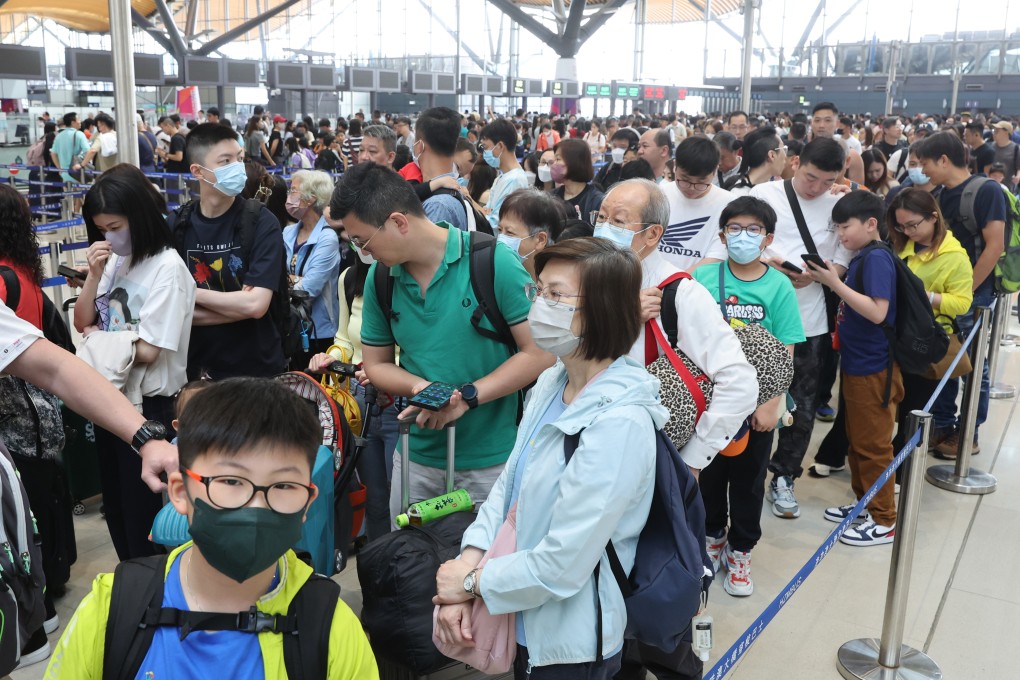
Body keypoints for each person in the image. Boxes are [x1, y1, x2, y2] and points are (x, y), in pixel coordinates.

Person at [434, 237, 666, 679]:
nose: (539, 305)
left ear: (602, 309)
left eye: (555, 295)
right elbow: (510, 490)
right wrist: (468, 562)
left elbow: (563, 564)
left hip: (569, 642)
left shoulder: (620, 423)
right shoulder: (552, 382)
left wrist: (469, 583)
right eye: (538, 291)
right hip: (519, 614)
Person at [44, 378, 379, 678]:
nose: (256, 506)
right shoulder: (112, 609)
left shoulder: (330, 627)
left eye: (283, 486)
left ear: (307, 502)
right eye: (230, 481)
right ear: (180, 492)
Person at [594, 179, 756, 680]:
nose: (604, 226)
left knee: (657, 590)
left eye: (618, 220)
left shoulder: (676, 293)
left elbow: (739, 381)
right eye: (602, 214)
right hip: (596, 462)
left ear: (652, 233)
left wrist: (692, 458)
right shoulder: (591, 277)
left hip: (659, 471)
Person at [329, 162, 553, 522]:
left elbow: (540, 352)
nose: (362, 252)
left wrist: (467, 397)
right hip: (416, 459)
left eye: (363, 240)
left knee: (480, 568)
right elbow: (377, 365)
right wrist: (423, 387)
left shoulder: (492, 262)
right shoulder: (381, 279)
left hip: (490, 460)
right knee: (413, 565)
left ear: (399, 222)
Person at [71, 165, 196, 561]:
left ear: (139, 218)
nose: (108, 237)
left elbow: (149, 350)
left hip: (151, 407)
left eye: (114, 226)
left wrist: (95, 340)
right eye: (101, 229)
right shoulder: (113, 261)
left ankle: (153, 600)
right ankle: (134, 592)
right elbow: (81, 320)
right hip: (112, 400)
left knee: (146, 523)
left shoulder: (168, 267)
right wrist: (93, 274)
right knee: (120, 511)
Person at [694, 196, 804, 595]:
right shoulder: (703, 279)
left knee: (749, 479)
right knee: (707, 475)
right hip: (710, 401)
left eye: (753, 230)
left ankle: (741, 549)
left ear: (768, 238)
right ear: (722, 235)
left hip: (758, 405)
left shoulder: (779, 286)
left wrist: (772, 401)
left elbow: (787, 346)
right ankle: (712, 536)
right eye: (735, 229)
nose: (743, 236)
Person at [750, 137, 852, 519]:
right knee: (748, 397)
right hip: (757, 316)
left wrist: (822, 276)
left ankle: (784, 475)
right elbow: (740, 237)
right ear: (795, 163)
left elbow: (844, 256)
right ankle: (744, 471)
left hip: (809, 322)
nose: (816, 188)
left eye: (827, 181)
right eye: (810, 177)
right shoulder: (765, 194)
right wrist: (768, 264)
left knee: (802, 403)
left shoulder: (838, 204)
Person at [804, 191, 904, 546]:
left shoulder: (876, 259)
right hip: (859, 361)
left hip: (874, 366)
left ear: (871, 224)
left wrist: (835, 283)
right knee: (859, 440)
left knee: (874, 444)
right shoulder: (865, 256)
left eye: (845, 226)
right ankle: (866, 502)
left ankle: (885, 519)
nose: (840, 234)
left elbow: (878, 311)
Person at [170, 122, 286, 379]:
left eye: (240, 158)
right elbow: (166, 309)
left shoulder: (261, 222)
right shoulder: (178, 223)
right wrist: (236, 305)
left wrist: (186, 294)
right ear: (198, 171)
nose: (237, 167)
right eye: (225, 161)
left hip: (255, 373)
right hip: (195, 372)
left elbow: (256, 305)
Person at [916, 131, 1005, 456]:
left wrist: (965, 292)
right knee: (946, 358)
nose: (922, 170)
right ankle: (942, 424)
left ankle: (969, 432)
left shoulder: (987, 191)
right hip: (940, 296)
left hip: (973, 296)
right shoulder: (939, 193)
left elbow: (994, 246)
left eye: (925, 163)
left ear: (943, 159)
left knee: (973, 367)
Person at [887, 188, 973, 456]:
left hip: (924, 342)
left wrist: (925, 297)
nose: (907, 231)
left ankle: (904, 468)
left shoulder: (955, 257)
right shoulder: (902, 244)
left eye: (913, 225)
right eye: (901, 226)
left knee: (914, 410)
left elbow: (961, 303)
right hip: (895, 335)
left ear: (933, 217)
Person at [283, 170, 341, 366]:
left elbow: (310, 288)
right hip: (288, 326)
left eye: (293, 191)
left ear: (310, 199)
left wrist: (285, 280)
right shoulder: (288, 232)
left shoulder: (327, 238)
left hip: (318, 331)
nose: (289, 197)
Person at [658, 136, 732, 272]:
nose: (691, 188)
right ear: (675, 165)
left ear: (715, 171)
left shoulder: (728, 204)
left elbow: (716, 257)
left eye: (701, 182)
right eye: (684, 180)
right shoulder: (658, 195)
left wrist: (675, 284)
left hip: (698, 284)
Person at [496, 187, 567, 280]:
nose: (500, 239)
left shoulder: (553, 289)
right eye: (500, 230)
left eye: (509, 232)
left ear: (540, 240)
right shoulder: (497, 274)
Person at [480, 118, 531, 231]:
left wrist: (470, 201)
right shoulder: (502, 177)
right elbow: (487, 212)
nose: (485, 152)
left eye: (486, 147)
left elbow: (494, 224)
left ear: (500, 146)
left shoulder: (513, 180)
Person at [551, 138, 605, 228]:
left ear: (574, 161)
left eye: (558, 159)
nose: (553, 164)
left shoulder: (596, 201)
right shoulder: (551, 197)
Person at [724, 125, 786, 196]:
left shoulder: (774, 186)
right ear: (772, 155)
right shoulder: (741, 195)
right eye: (783, 149)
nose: (785, 155)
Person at [50, 112, 90, 184]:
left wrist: (59, 168)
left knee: (68, 194)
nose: (80, 121)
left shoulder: (58, 136)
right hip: (77, 173)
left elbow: (53, 154)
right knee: (81, 194)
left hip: (64, 174)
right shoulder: (79, 134)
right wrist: (82, 165)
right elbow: (88, 152)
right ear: (73, 122)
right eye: (78, 119)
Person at [990, 120, 1020, 190]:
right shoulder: (990, 146)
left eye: (997, 131)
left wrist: (1018, 177)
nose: (994, 133)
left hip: (1008, 187)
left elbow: (1019, 167)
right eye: (994, 130)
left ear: (1006, 133)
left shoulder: (1016, 148)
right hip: (991, 185)